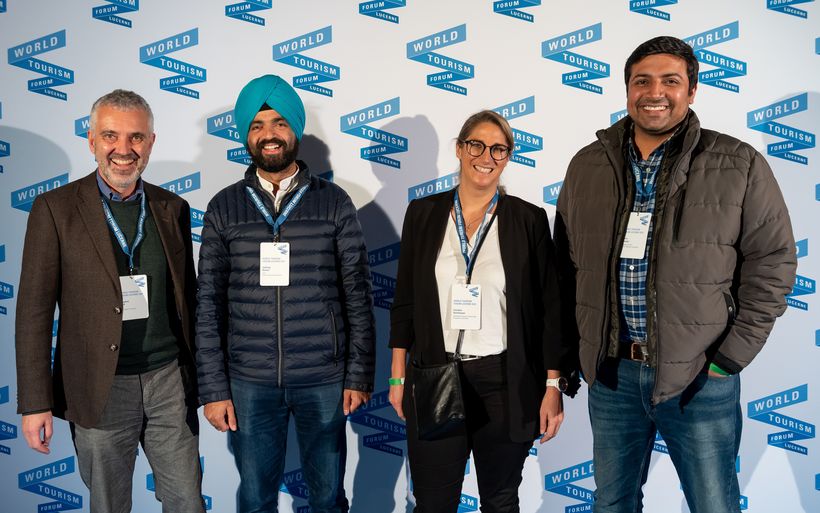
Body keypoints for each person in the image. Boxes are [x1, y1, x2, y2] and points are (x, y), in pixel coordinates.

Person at [553, 36, 797, 513]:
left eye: (670, 80)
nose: (655, 92)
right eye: (642, 81)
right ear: (627, 89)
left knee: (713, 504)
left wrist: (727, 360)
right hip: (613, 375)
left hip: (699, 378)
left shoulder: (738, 163)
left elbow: (773, 263)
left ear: (692, 90)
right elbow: (564, 268)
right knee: (611, 503)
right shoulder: (587, 165)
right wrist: (572, 356)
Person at [15, 89, 203, 513]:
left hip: (169, 383)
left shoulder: (173, 207)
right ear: (91, 140)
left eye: (136, 137)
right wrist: (36, 402)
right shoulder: (55, 209)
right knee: (109, 506)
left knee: (188, 502)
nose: (123, 149)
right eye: (110, 136)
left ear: (151, 142)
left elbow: (188, 303)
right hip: (99, 388)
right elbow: (33, 314)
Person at [196, 74, 376, 513]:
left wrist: (357, 375)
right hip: (249, 381)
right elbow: (208, 305)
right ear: (246, 136)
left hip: (323, 377)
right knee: (256, 500)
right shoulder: (224, 207)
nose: (269, 134)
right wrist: (214, 388)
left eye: (279, 123)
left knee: (328, 499)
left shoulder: (334, 202)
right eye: (257, 125)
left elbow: (356, 293)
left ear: (294, 130)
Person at [389, 110, 575, 513]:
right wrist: (397, 376)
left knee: (500, 502)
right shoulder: (422, 214)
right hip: (435, 374)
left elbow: (550, 309)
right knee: (433, 504)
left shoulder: (527, 219)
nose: (486, 157)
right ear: (459, 149)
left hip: (503, 380)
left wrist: (552, 386)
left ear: (508, 157)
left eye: (498, 149)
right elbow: (405, 301)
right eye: (476, 145)